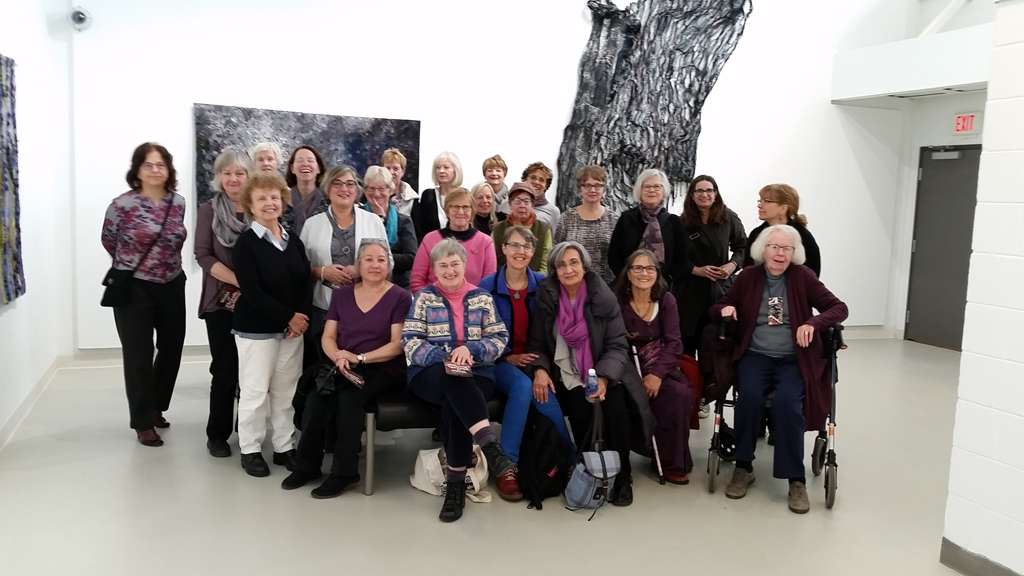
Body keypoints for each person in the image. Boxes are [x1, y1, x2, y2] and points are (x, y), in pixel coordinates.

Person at [710, 224, 847, 514]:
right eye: (774, 247)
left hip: (793, 359)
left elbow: (838, 308)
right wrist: (726, 309)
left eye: (787, 249)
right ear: (763, 250)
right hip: (755, 355)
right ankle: (744, 466)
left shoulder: (803, 277)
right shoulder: (748, 277)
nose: (780, 253)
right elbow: (721, 304)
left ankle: (795, 479)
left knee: (787, 404)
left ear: (794, 253)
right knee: (749, 399)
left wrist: (813, 323)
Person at [526, 242, 655, 506]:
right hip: (568, 373)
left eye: (574, 262)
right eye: (561, 264)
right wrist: (539, 369)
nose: (568, 269)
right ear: (554, 270)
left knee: (616, 414)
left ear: (584, 266)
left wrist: (605, 379)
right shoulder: (546, 297)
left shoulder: (602, 296)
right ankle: (593, 475)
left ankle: (622, 478)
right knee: (581, 414)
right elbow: (537, 344)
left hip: (606, 370)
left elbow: (618, 345)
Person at [282, 239, 412, 498]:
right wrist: (339, 356)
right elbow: (328, 336)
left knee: (350, 397)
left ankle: (345, 471)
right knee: (318, 396)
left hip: (382, 367)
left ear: (388, 266)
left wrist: (359, 358)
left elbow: (397, 345)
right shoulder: (341, 295)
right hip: (343, 363)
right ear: (358, 265)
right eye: (369, 259)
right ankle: (307, 465)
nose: (375, 265)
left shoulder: (400, 296)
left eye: (381, 260)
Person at [402, 238, 515, 522]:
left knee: (458, 400)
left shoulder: (482, 297)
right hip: (430, 375)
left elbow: (500, 338)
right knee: (452, 377)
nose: (450, 270)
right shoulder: (424, 297)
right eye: (443, 265)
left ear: (464, 265)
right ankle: (489, 445)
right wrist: (447, 357)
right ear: (434, 268)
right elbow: (410, 341)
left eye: (455, 264)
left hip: (477, 373)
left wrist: (471, 350)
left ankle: (455, 488)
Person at [101, 142, 188, 447]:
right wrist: (133, 264)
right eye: (148, 165)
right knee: (138, 355)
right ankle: (142, 422)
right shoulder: (121, 205)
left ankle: (155, 405)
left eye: (160, 165)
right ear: (137, 169)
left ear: (169, 170)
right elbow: (108, 239)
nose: (155, 170)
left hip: (173, 282)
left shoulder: (178, 203)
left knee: (172, 348)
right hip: (134, 287)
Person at [478, 226, 573, 498]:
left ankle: (570, 460)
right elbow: (479, 332)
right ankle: (507, 465)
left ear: (533, 252)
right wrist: (507, 355)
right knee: (521, 387)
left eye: (526, 247)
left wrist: (541, 369)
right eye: (514, 245)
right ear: (504, 249)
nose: (520, 252)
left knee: (547, 397)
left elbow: (548, 335)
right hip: (497, 360)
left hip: (534, 360)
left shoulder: (544, 284)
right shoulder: (487, 286)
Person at [231, 172, 313, 477]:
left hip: (293, 331)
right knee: (254, 393)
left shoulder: (293, 240)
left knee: (285, 391)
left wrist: (300, 319)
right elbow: (251, 292)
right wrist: (287, 317)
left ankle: (284, 446)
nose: (270, 203)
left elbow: (305, 281)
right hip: (257, 330)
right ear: (250, 205)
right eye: (262, 198)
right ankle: (250, 449)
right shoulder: (246, 244)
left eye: (275, 197)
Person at [613, 250, 695, 484]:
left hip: (660, 364)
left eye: (650, 268)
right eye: (637, 268)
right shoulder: (616, 302)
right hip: (627, 366)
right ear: (628, 273)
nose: (644, 273)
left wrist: (656, 375)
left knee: (678, 394)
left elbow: (675, 342)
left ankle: (669, 460)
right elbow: (612, 343)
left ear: (657, 274)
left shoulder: (666, 300)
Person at [300, 165, 390, 365]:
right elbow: (299, 267)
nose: (344, 189)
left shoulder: (373, 221)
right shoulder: (312, 225)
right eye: (337, 184)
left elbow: (388, 261)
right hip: (324, 306)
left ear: (356, 189)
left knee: (359, 365)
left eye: (350, 184)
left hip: (365, 308)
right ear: (327, 188)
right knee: (325, 365)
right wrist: (323, 272)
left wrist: (361, 270)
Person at [194, 147, 251, 457]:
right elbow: (203, 255)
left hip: (254, 304)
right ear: (219, 177)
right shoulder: (209, 210)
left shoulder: (259, 208)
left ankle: (248, 430)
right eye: (227, 173)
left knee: (251, 371)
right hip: (221, 300)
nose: (233, 178)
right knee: (225, 369)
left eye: (240, 173)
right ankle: (217, 434)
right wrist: (239, 280)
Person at [679, 175, 747, 353]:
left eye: (709, 190)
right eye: (699, 190)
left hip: (718, 292)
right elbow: (674, 257)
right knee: (686, 350)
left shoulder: (729, 218)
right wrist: (696, 270)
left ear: (716, 194)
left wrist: (732, 265)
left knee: (713, 348)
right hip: (688, 294)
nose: (704, 194)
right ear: (692, 195)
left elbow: (744, 247)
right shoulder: (681, 222)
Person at [608, 168, 693, 298]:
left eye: (656, 186)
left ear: (663, 190)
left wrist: (666, 280)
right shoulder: (626, 219)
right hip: (627, 289)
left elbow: (682, 259)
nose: (651, 190)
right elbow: (613, 255)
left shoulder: (673, 221)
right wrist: (627, 278)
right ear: (639, 190)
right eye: (646, 186)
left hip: (662, 290)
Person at [409, 188, 496, 293]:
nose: (460, 212)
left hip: (473, 306)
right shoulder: (430, 239)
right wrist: (430, 304)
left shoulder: (485, 242)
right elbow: (417, 280)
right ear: (447, 211)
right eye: (455, 207)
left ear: (472, 211)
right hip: (433, 306)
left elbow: (489, 284)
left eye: (465, 207)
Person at [553, 165, 619, 284]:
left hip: (606, 287)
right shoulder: (566, 218)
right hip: (572, 284)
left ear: (603, 189)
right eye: (587, 185)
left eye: (598, 185)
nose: (593, 190)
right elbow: (556, 253)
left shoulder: (614, 219)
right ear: (580, 189)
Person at [743, 184, 821, 277]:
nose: (759, 205)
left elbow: (812, 275)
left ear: (783, 208)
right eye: (760, 200)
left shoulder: (802, 236)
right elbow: (747, 268)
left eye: (766, 201)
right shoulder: (756, 234)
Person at [362, 166, 417, 289]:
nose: (376, 193)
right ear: (365, 191)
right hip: (363, 286)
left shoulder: (404, 221)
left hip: (398, 286)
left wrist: (375, 258)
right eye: (371, 188)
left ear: (391, 190)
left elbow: (411, 258)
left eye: (382, 188)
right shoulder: (356, 216)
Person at [490, 183, 551, 274]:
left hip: (536, 283)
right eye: (517, 201)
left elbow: (545, 264)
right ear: (510, 204)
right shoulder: (498, 229)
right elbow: (491, 261)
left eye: (526, 201)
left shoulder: (543, 229)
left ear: (533, 205)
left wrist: (536, 282)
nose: (522, 205)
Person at [411, 151, 462, 241]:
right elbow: (421, 229)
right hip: (433, 249)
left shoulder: (463, 196)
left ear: (456, 170)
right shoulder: (428, 195)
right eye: (438, 168)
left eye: (446, 167)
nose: (441, 171)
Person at [284, 145, 327, 237]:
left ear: (318, 168)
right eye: (300, 160)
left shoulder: (329, 200)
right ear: (292, 169)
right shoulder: (280, 200)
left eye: (310, 160)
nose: (305, 164)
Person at [520, 162, 561, 236]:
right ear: (524, 179)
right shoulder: (510, 204)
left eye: (542, 180)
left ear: (546, 185)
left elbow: (555, 240)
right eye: (533, 177)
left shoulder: (553, 211)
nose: (536, 182)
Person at [382, 148, 419, 216]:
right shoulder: (374, 194)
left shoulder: (412, 200)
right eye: (387, 168)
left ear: (403, 171)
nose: (391, 172)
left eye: (395, 168)